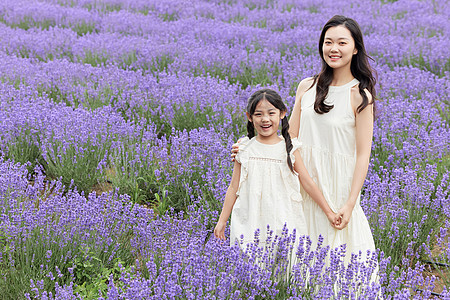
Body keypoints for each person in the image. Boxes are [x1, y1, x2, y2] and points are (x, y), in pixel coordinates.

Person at [232, 15, 377, 263]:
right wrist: (250, 148)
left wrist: (351, 202)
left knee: (338, 254)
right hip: (300, 178)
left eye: (342, 43)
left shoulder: (360, 96)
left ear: (355, 49)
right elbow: (289, 137)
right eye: (328, 42)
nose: (333, 49)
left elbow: (363, 154)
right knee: (297, 250)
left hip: (337, 184)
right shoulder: (307, 87)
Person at [214, 89, 339, 249]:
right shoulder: (245, 148)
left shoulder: (289, 148)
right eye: (258, 114)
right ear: (249, 117)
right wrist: (222, 221)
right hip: (250, 218)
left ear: (282, 113)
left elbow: (307, 182)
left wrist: (329, 212)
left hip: (283, 217)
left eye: (271, 113)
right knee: (250, 264)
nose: (265, 119)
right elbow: (234, 186)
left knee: (284, 263)